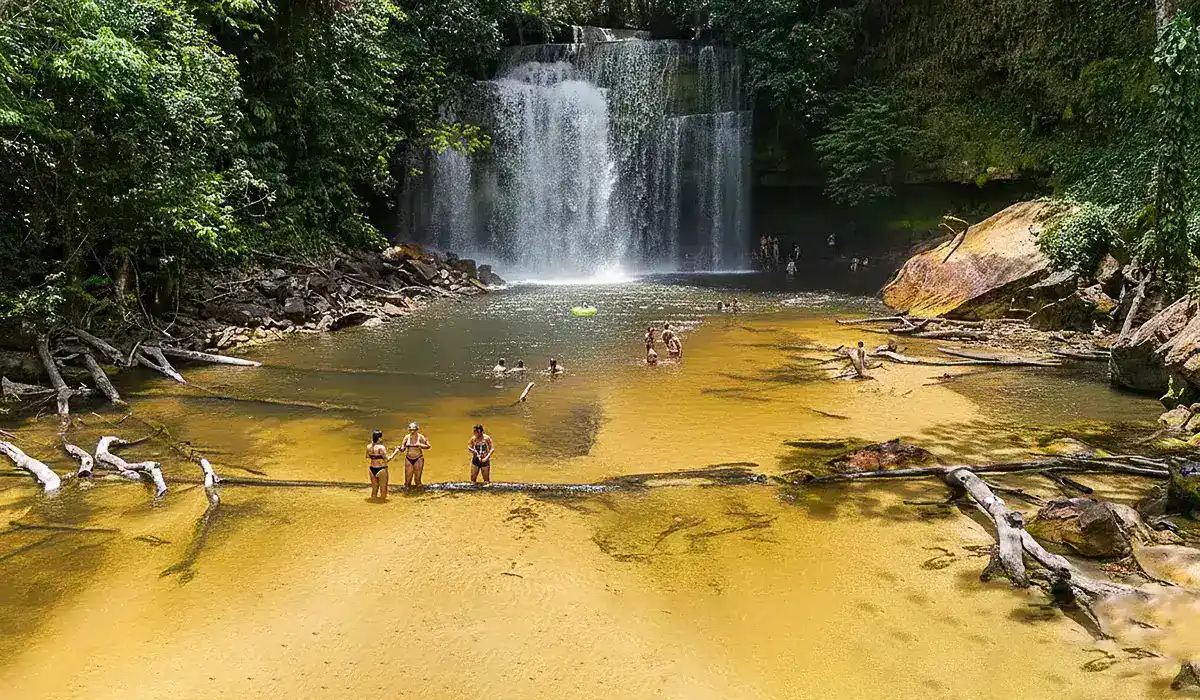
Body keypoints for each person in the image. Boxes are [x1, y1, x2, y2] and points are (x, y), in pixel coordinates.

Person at [366, 430, 401, 499]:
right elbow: (387, 459)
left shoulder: (368, 446)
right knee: (383, 492)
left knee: (374, 491)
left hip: (372, 469)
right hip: (381, 469)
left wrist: (376, 456)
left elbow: (367, 456)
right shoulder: (381, 447)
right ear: (379, 438)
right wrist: (395, 452)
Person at [400, 422, 431, 488]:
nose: (412, 431)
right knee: (407, 481)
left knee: (417, 480)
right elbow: (403, 449)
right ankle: (406, 495)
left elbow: (428, 446)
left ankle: (419, 494)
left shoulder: (421, 437)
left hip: (418, 459)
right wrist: (399, 448)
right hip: (409, 459)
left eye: (414, 430)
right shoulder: (406, 437)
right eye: (410, 430)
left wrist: (420, 445)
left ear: (417, 429)